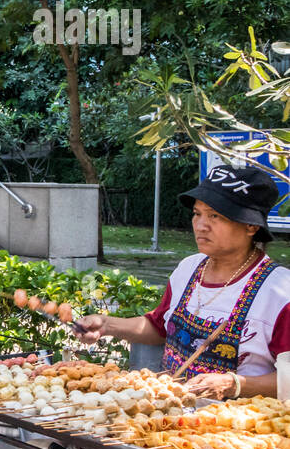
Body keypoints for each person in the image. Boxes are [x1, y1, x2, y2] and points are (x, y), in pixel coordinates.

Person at [79, 165, 290, 399]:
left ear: (251, 225)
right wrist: (107, 325)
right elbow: (160, 327)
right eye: (197, 213)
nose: (200, 225)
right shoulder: (189, 268)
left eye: (215, 215)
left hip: (238, 427)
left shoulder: (279, 292)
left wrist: (234, 384)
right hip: (171, 417)